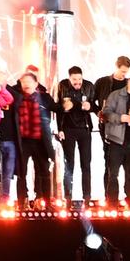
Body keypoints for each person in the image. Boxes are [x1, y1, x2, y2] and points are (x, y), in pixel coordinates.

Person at [7, 69, 55, 204]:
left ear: (36, 84)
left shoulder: (44, 98)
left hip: (40, 141)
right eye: (23, 82)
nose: (26, 84)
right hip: (23, 141)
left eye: (29, 81)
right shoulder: (16, 98)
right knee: (22, 173)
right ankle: (22, 201)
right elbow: (6, 89)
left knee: (44, 172)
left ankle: (46, 201)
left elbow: (57, 107)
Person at [99, 71, 130, 205]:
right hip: (116, 141)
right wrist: (120, 118)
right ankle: (112, 203)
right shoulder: (116, 95)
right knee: (113, 174)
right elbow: (106, 113)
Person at [55, 66, 95, 204]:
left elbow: (96, 107)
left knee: (86, 164)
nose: (77, 82)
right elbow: (58, 108)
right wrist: (59, 128)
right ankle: (67, 197)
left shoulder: (89, 86)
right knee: (69, 164)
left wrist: (90, 107)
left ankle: (87, 196)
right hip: (68, 129)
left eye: (79, 79)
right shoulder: (62, 86)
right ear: (69, 79)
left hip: (84, 129)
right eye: (74, 80)